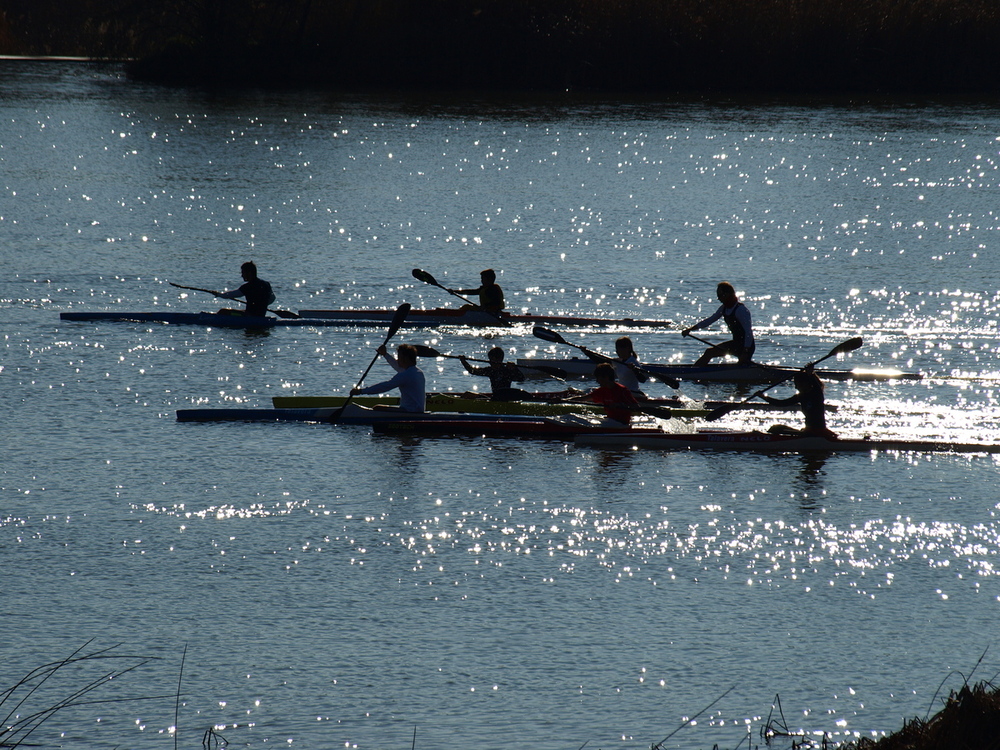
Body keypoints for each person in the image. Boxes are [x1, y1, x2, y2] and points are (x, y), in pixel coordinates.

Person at [681, 281, 755, 365]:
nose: (718, 299)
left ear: (727, 294)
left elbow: (748, 332)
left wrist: (745, 351)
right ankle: (694, 371)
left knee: (711, 353)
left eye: (720, 295)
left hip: (746, 346)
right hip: (736, 344)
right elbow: (709, 320)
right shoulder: (724, 308)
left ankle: (693, 373)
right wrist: (690, 329)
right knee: (709, 352)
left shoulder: (741, 310)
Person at [757, 366, 837, 440]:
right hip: (808, 432)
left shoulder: (816, 394)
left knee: (775, 429)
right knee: (776, 428)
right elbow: (781, 403)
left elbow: (817, 386)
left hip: (817, 432)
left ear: (805, 384)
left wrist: (811, 374)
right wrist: (764, 397)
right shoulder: (801, 396)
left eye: (797, 384)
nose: (796, 387)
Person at [351, 343, 426, 413]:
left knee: (377, 408)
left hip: (409, 411)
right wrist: (385, 354)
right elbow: (397, 366)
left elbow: (384, 387)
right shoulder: (417, 372)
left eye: (399, 357)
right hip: (416, 410)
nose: (397, 360)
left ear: (405, 359)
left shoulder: (406, 375)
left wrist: (361, 391)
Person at [571, 362, 640, 427]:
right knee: (575, 418)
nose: (597, 381)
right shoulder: (602, 390)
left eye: (598, 378)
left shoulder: (622, 390)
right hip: (610, 421)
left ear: (606, 378)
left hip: (622, 424)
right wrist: (563, 400)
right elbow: (582, 398)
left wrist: (620, 405)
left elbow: (636, 407)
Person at [460, 347, 525, 396]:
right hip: (495, 397)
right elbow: (473, 371)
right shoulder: (490, 370)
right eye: (490, 360)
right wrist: (463, 362)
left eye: (492, 360)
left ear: (500, 360)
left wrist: (514, 369)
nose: (490, 363)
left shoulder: (507, 370)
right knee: (467, 394)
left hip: (505, 398)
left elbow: (521, 379)